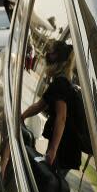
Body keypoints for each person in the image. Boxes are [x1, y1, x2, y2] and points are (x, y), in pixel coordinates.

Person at [19, 40, 81, 171]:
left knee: (51, 180)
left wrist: (52, 150)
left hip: (64, 148)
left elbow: (61, 117)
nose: (47, 55)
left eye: (51, 53)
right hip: (61, 144)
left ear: (57, 59)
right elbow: (39, 105)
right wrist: (21, 117)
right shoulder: (59, 81)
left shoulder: (61, 84)